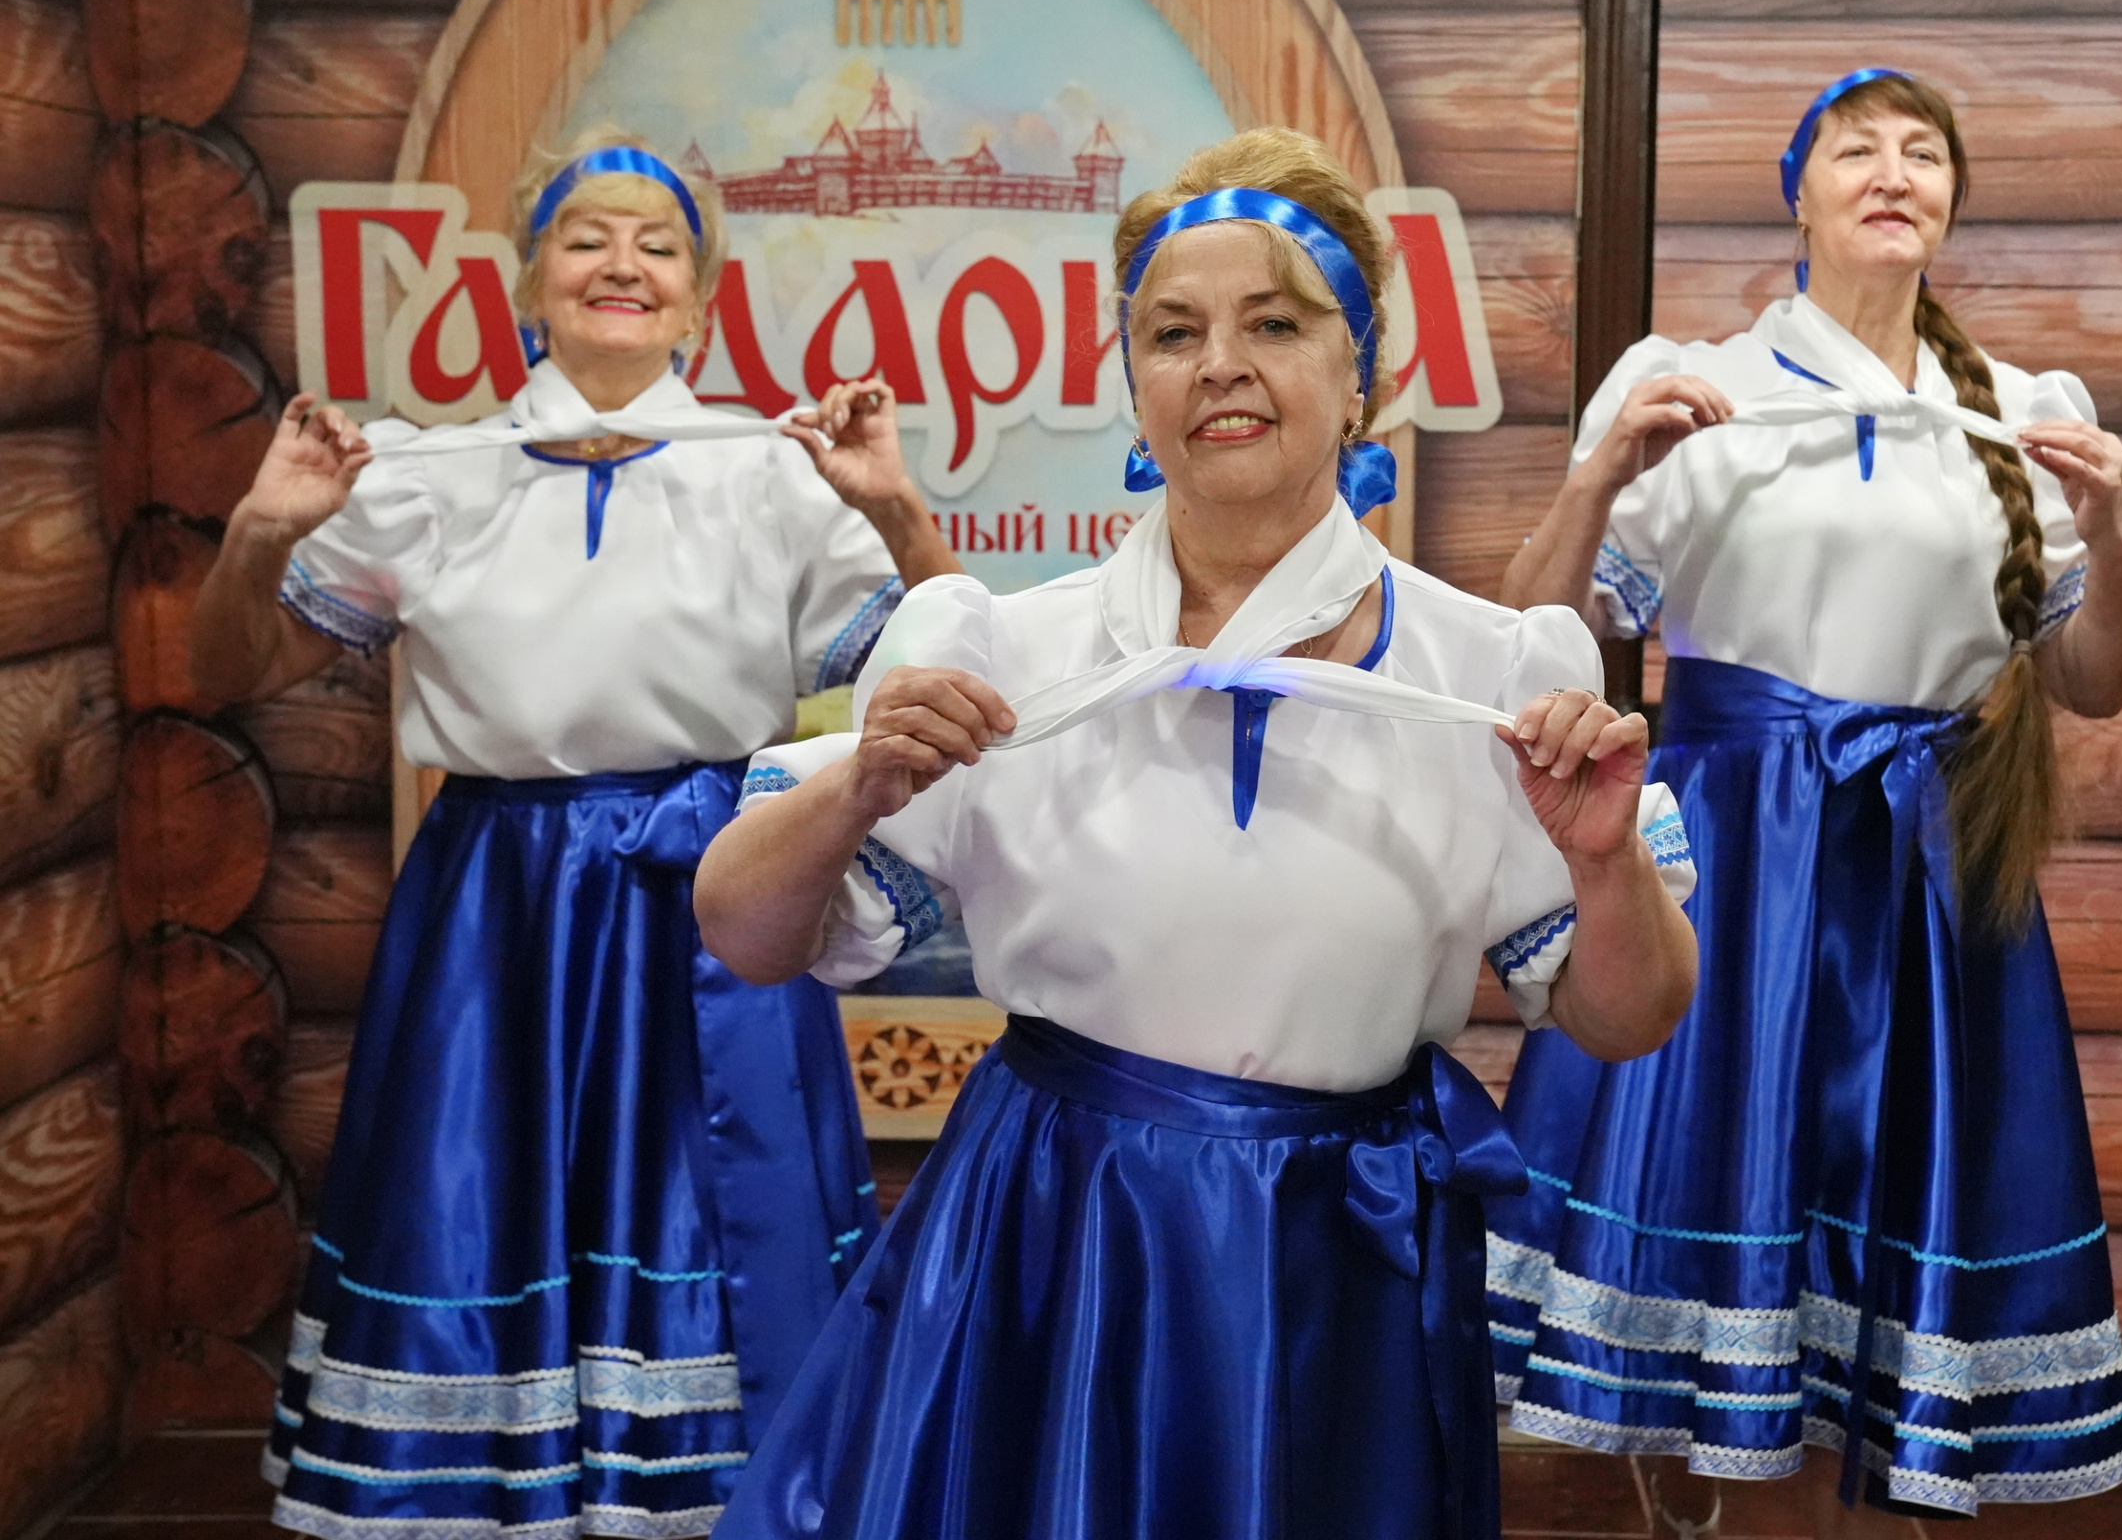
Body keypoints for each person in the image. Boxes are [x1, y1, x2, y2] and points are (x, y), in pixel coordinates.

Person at [688, 127, 1700, 1540]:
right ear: (1133, 381)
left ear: (1364, 369)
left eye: (1274, 324)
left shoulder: (1492, 669)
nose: (1219, 364)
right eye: (1173, 333)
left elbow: (1628, 1015)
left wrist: (1601, 860)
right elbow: (743, 930)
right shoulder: (1001, 650)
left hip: (1340, 1267)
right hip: (1051, 1244)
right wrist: (856, 784)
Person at [192, 125, 962, 1539]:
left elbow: (948, 667)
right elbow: (230, 667)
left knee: (716, 1211)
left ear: (699, 300)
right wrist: (258, 533)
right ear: (526, 281)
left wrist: (896, 508)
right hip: (500, 911)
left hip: (715, 887)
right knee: (484, 1204)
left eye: (658, 243)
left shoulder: (778, 475)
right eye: (586, 237)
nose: (622, 263)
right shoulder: (428, 475)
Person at [1483, 70, 2122, 1534]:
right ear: (1798, 194)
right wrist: (1600, 473)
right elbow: (1535, 629)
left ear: (1953, 201)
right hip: (1736, 862)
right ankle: (1722, 1500)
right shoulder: (1701, 385)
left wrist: (2114, 533)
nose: (1893, 173)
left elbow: (2096, 681)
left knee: (1888, 1253)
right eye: (1857, 150)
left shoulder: (2021, 414)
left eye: (1924, 152)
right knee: (1732, 1214)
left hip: (1931, 862)